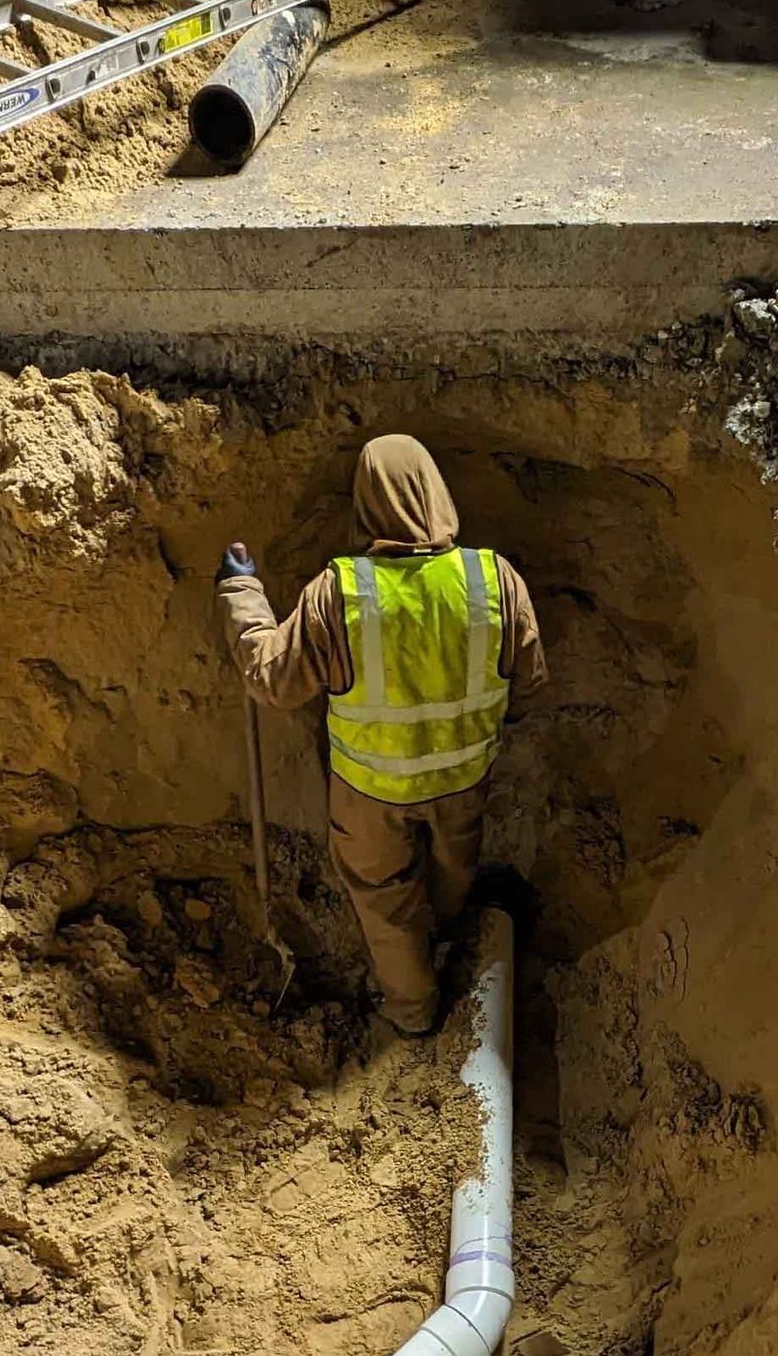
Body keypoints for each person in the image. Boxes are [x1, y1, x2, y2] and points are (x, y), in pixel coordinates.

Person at [216, 434, 545, 1035]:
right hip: (463, 780)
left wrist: (241, 593)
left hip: (371, 792)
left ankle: (414, 1014)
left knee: (386, 903)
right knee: (453, 871)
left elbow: (273, 681)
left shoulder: (338, 591)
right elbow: (528, 681)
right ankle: (447, 934)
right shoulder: (495, 579)